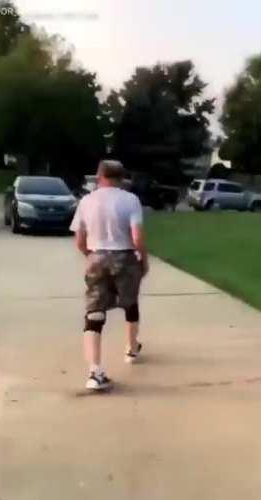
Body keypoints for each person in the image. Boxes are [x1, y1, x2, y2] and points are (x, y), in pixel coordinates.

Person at [70, 160, 148, 390]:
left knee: (94, 312)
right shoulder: (130, 200)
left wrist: (92, 256)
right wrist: (143, 260)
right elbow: (137, 239)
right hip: (125, 258)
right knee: (130, 303)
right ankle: (131, 349)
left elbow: (80, 241)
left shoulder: (87, 201)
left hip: (97, 256)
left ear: (99, 176)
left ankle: (95, 372)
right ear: (121, 178)